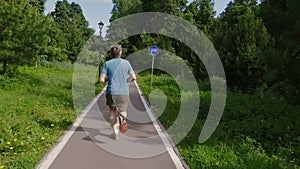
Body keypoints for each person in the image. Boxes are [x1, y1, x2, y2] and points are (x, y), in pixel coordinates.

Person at [99, 45, 136, 140]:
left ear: (111, 53)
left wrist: (109, 78)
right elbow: (134, 77)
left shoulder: (107, 63)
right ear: (120, 52)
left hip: (111, 91)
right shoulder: (126, 63)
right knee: (123, 111)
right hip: (123, 92)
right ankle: (122, 117)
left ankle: (115, 132)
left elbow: (101, 80)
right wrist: (127, 81)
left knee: (112, 112)